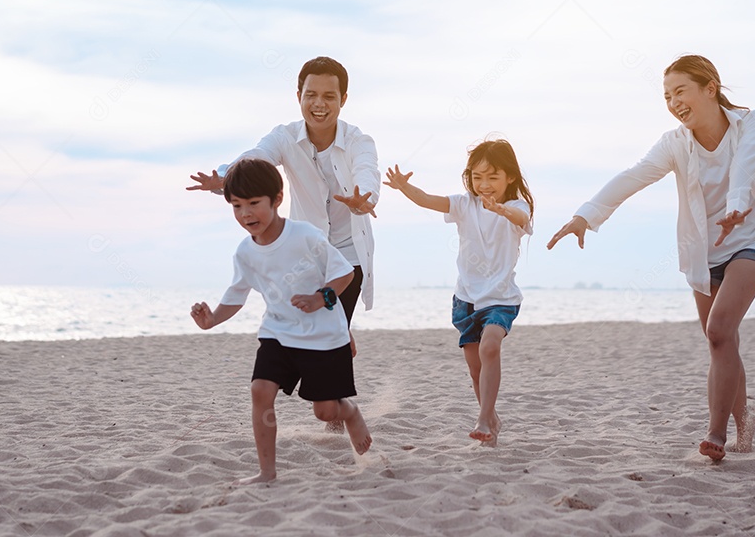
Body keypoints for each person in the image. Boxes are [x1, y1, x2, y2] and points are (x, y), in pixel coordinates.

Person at [547, 54, 755, 462]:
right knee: (722, 341)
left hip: (754, 238)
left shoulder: (752, 124)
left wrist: (737, 206)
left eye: (680, 91)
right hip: (704, 250)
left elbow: (744, 168)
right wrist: (586, 216)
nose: (673, 102)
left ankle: (715, 434)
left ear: (710, 88)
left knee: (719, 329)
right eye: (667, 96)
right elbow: (632, 177)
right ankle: (742, 421)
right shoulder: (674, 144)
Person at [190, 158, 372, 484]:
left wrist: (321, 298)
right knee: (260, 390)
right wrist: (212, 319)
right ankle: (266, 472)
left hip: (324, 336)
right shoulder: (245, 252)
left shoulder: (305, 236)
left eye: (254, 203)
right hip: (278, 332)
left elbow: (345, 272)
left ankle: (350, 412)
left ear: (276, 199)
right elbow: (236, 294)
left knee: (325, 412)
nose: (246, 214)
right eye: (236, 206)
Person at [188, 57, 379, 349]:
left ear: (343, 99)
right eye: (310, 95)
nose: (319, 104)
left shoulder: (358, 141)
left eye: (329, 96)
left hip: (348, 256)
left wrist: (363, 199)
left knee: (329, 334)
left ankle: (340, 340)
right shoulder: (284, 137)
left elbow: (367, 172)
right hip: (305, 252)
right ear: (298, 96)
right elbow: (256, 156)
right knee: (311, 328)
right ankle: (341, 338)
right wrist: (225, 177)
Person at [383, 138, 534, 447]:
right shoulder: (465, 204)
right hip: (465, 298)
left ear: (510, 177)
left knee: (490, 348)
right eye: (477, 177)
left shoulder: (517, 207)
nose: (484, 184)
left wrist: (502, 210)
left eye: (493, 177)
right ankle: (490, 420)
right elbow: (428, 200)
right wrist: (404, 188)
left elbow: (521, 219)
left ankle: (482, 419)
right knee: (475, 368)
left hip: (500, 298)